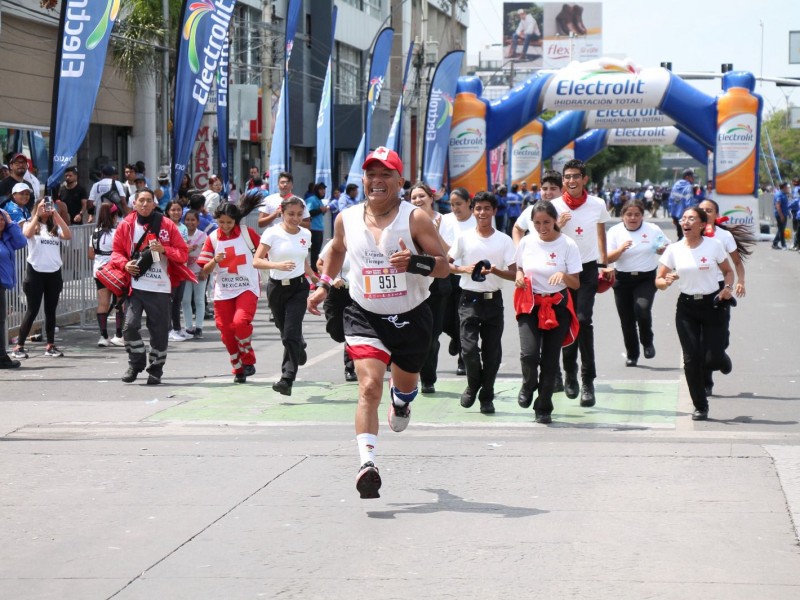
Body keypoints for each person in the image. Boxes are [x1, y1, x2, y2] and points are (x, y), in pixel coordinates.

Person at [307, 146, 449, 499]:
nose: (377, 180)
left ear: (400, 181)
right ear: (363, 180)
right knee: (369, 386)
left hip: (411, 315)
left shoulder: (415, 218)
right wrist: (324, 285)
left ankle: (401, 401)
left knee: (404, 385)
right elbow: (337, 249)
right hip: (364, 313)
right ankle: (367, 464)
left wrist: (414, 263)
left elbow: (444, 265)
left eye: (386, 174)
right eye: (371, 174)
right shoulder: (347, 218)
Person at [656, 206, 735, 421]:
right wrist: (666, 281)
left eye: (691, 219)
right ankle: (700, 405)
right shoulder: (674, 249)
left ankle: (722, 359)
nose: (686, 222)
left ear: (702, 225)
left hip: (713, 305)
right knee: (691, 359)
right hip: (687, 308)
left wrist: (727, 289)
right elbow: (659, 280)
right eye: (683, 219)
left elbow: (728, 271)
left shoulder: (714, 245)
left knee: (712, 358)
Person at [109, 188, 194, 385]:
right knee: (129, 326)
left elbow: (182, 254)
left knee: (159, 331)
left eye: (149, 200)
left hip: (160, 287)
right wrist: (125, 264)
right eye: (141, 201)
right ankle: (136, 363)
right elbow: (116, 253)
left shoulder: (167, 225)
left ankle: (156, 368)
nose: (145, 204)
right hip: (135, 286)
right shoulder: (126, 225)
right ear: (134, 203)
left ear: (155, 204)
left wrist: (165, 249)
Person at [448, 190, 517, 414]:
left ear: (494, 211)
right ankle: (473, 384)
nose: (482, 212)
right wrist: (462, 269)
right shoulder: (464, 238)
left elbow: (515, 273)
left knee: (492, 352)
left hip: (493, 302)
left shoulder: (504, 240)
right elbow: (446, 264)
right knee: (468, 350)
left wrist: (496, 270)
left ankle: (486, 395)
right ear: (472, 210)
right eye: (478, 208)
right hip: (469, 300)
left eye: (487, 208)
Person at [551, 159, 612, 407]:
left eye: (576, 176)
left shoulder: (597, 204)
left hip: (586, 269)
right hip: (561, 272)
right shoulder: (553, 206)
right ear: (563, 180)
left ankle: (588, 381)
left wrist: (605, 263)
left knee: (583, 320)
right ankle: (570, 375)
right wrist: (558, 225)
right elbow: (542, 234)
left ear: (585, 179)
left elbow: (600, 233)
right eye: (567, 177)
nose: (572, 181)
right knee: (566, 323)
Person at [514, 201, 581, 423]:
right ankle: (528, 383)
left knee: (551, 360)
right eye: (537, 223)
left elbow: (576, 283)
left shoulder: (568, 244)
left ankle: (543, 406)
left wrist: (563, 276)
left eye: (547, 222)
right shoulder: (526, 242)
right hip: (530, 304)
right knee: (529, 355)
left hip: (557, 307)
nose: (542, 227)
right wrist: (519, 274)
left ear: (555, 221)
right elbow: (520, 267)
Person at [253, 195, 317, 395]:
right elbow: (257, 261)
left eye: (299, 214)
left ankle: (287, 379)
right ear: (281, 212)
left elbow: (304, 262)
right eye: (291, 214)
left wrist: (317, 280)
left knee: (290, 332)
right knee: (285, 333)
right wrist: (276, 265)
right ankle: (298, 347)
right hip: (276, 288)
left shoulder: (305, 234)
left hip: (299, 288)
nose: (295, 218)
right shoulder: (272, 233)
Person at [198, 202, 262, 383]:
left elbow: (264, 251)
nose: (225, 226)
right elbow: (205, 271)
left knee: (240, 323)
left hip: (247, 286)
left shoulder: (247, 234)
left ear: (236, 221)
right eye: (221, 222)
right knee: (226, 331)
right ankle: (238, 367)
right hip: (223, 291)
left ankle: (248, 361)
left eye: (229, 222)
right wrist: (215, 261)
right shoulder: (212, 238)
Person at [698, 198, 753, 395]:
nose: (705, 213)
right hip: (697, 289)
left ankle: (721, 355)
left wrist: (740, 282)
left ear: (716, 214)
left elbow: (737, 263)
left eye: (709, 210)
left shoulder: (724, 236)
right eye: (702, 210)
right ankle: (706, 383)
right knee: (701, 342)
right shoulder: (692, 234)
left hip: (720, 290)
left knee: (718, 340)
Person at [606, 198, 668, 366]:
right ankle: (632, 354)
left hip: (645, 278)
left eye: (637, 215)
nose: (633, 218)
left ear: (642, 216)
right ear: (622, 216)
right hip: (622, 279)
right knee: (627, 320)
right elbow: (606, 258)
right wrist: (620, 249)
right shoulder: (615, 232)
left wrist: (662, 249)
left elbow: (665, 247)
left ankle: (647, 342)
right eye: (629, 215)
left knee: (642, 308)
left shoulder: (653, 229)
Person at [10, 198, 72, 359]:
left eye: (48, 206)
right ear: (37, 207)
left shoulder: (54, 227)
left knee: (51, 310)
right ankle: (19, 346)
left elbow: (68, 235)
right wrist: (37, 216)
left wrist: (56, 214)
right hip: (35, 272)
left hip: (54, 272)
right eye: (43, 206)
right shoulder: (31, 223)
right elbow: (27, 234)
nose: (46, 208)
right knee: (32, 310)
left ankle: (50, 345)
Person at [409, 182, 451, 394]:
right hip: (412, 284)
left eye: (421, 196)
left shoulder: (444, 220)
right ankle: (408, 375)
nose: (417, 200)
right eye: (413, 197)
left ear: (431, 197)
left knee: (432, 337)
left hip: (438, 286)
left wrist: (434, 232)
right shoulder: (406, 220)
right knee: (413, 334)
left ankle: (428, 379)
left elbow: (450, 253)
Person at [438, 187, 476, 376]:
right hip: (448, 273)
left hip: (468, 276)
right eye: (452, 205)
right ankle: (454, 336)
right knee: (445, 318)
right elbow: (445, 249)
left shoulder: (478, 220)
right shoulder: (444, 220)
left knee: (463, 318)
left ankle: (463, 358)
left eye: (459, 204)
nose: (455, 208)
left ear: (469, 202)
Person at [317, 239, 357, 382]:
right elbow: (320, 264)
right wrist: (332, 278)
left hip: (358, 293)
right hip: (337, 291)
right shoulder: (336, 242)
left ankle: (350, 367)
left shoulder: (369, 241)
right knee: (337, 332)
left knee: (351, 330)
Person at [89, 203, 125, 347]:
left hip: (99, 271)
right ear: (114, 216)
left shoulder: (95, 233)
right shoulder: (117, 232)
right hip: (116, 270)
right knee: (119, 303)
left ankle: (103, 336)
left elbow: (90, 254)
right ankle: (119, 334)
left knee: (103, 303)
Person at [0, 208, 27, 368]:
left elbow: (22, 242)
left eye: (2, 219)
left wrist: (10, 223)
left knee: (1, 320)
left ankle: (1, 355)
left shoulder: (7, 238)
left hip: (2, 284)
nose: (1, 222)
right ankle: (2, 356)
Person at [513, 169, 564, 245]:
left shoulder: (567, 211)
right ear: (540, 190)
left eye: (553, 189)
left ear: (561, 190)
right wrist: (519, 250)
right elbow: (518, 229)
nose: (548, 193)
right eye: (544, 189)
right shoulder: (531, 210)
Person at [165, 200, 191, 342]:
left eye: (179, 209)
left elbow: (184, 247)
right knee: (169, 299)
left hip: (182, 266)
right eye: (173, 210)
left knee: (178, 299)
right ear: (168, 211)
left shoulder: (184, 228)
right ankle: (168, 329)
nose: (176, 212)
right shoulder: (165, 226)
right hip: (170, 267)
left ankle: (177, 328)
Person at [181, 209, 208, 338]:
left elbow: (207, 254)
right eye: (187, 219)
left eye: (193, 220)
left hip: (199, 272)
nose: (190, 222)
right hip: (185, 272)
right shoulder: (180, 235)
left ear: (198, 222)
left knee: (199, 300)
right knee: (185, 300)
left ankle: (199, 327)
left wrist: (204, 270)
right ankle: (188, 327)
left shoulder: (203, 236)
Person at [305, 182, 329, 271]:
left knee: (317, 251)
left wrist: (324, 210)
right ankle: (313, 269)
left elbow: (319, 214)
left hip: (319, 228)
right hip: (313, 229)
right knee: (314, 251)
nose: (323, 191)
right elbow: (308, 213)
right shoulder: (312, 199)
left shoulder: (319, 200)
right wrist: (320, 210)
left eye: (324, 189)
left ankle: (314, 268)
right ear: (316, 190)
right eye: (321, 189)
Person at [668, 168, 696, 241]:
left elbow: (671, 201)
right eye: (692, 177)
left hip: (676, 216)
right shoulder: (688, 187)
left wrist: (673, 217)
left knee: (680, 235)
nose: (694, 179)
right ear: (687, 177)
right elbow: (689, 203)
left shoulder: (675, 186)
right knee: (686, 236)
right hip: (686, 217)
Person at [772, 181, 790, 250]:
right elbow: (778, 206)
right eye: (787, 187)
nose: (788, 188)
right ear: (784, 187)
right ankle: (783, 245)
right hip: (780, 215)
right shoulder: (779, 194)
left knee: (781, 230)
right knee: (782, 230)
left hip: (784, 214)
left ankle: (775, 243)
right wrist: (781, 215)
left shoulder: (784, 194)